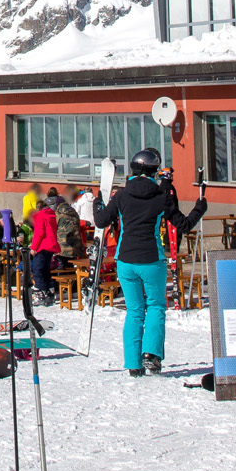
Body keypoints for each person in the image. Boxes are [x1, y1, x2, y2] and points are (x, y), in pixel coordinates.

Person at [93, 148, 205, 377]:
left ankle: (133, 363)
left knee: (134, 311)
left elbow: (101, 220)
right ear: (155, 170)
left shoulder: (121, 196)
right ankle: (151, 355)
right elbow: (183, 225)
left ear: (133, 170)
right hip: (152, 260)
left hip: (125, 260)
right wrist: (200, 208)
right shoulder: (161, 195)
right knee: (155, 306)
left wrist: (98, 202)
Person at [28, 194, 60, 305]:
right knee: (46, 270)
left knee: (38, 270)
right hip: (51, 246)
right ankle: (50, 292)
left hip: (42, 246)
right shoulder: (52, 215)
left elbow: (39, 233)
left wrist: (33, 247)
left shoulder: (41, 215)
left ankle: (40, 294)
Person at [49, 189, 83, 260]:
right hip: (75, 247)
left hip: (62, 248)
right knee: (70, 266)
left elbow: (52, 229)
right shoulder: (75, 213)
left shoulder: (58, 214)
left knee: (60, 266)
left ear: (58, 205)